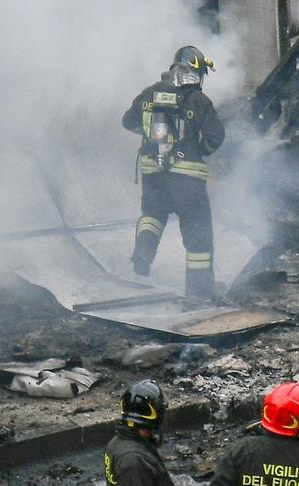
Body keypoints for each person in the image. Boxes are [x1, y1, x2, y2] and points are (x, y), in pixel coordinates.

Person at [122, 46, 226, 306]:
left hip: (153, 174)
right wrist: (199, 150)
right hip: (187, 179)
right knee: (197, 232)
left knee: (152, 217)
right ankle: (198, 292)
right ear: (195, 72)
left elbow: (128, 121)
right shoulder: (199, 101)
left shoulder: (149, 94)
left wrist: (149, 138)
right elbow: (216, 137)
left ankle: (143, 253)